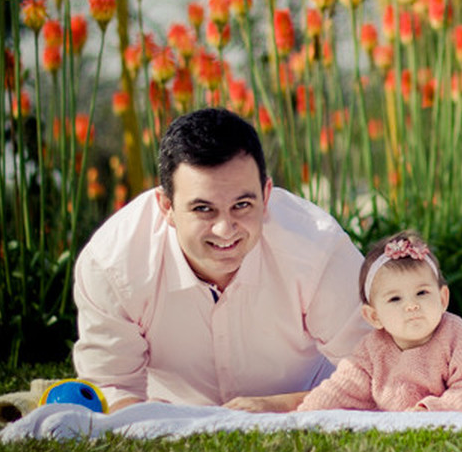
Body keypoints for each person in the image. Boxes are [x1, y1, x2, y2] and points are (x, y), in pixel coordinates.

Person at [71, 107, 370, 412]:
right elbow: (110, 390)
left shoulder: (317, 249)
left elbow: (378, 372)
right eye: (203, 209)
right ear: (166, 206)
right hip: (169, 412)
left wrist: (278, 406)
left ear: (266, 195)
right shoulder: (113, 266)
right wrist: (160, 421)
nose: (225, 230)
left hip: (311, 399)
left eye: (242, 205)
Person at [294, 231, 462, 412]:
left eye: (422, 293)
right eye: (395, 299)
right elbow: (342, 388)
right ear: (374, 316)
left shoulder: (459, 337)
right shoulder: (371, 351)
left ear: (442, 299)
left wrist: (435, 410)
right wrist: (307, 411)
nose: (411, 305)